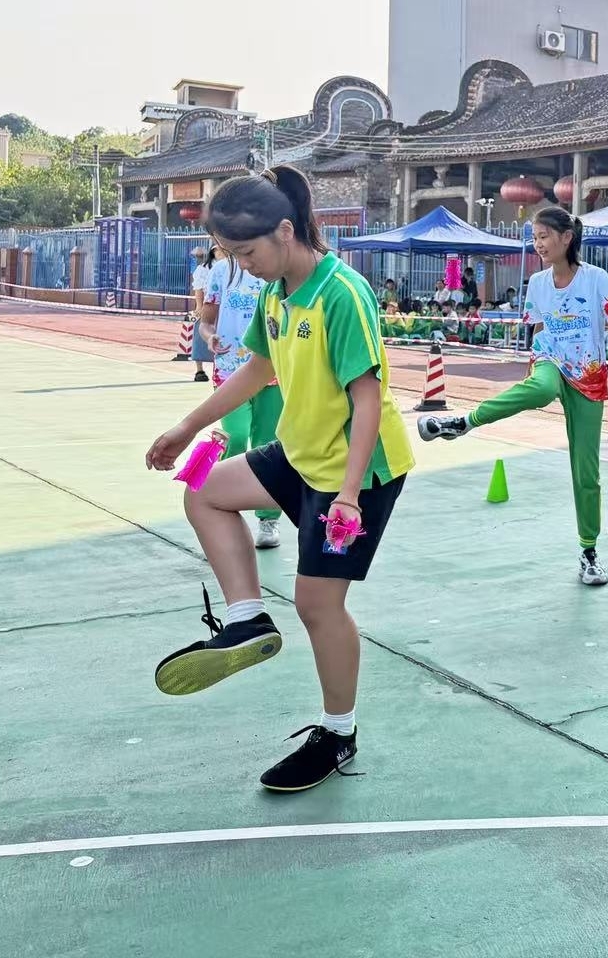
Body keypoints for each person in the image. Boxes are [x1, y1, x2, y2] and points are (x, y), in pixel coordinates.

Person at [144, 165, 414, 793]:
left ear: (285, 231)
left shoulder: (342, 293)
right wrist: (187, 426)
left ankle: (338, 734)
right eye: (231, 256)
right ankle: (247, 619)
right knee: (204, 491)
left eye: (247, 253)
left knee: (318, 605)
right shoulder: (275, 295)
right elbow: (256, 370)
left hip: (357, 470)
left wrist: (348, 494)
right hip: (300, 451)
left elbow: (367, 400)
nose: (243, 267)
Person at [417, 205, 608, 586]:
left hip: (588, 374)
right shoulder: (537, 283)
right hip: (550, 359)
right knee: (542, 387)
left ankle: (589, 552)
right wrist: (536, 367)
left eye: (544, 237)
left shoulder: (596, 278)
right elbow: (538, 330)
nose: (538, 244)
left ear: (566, 238)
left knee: (587, 472)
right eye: (534, 238)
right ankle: (463, 422)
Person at [201, 249, 284, 550]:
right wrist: (209, 336)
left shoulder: (275, 271)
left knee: (267, 444)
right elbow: (206, 321)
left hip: (272, 371)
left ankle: (268, 519)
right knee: (235, 437)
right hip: (230, 370)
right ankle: (222, 501)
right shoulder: (220, 272)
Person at [189, 247, 215, 383]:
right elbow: (198, 289)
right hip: (207, 306)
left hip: (223, 308)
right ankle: (199, 370)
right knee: (200, 337)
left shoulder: (232, 267)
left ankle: (219, 368)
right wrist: (199, 307)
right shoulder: (203, 269)